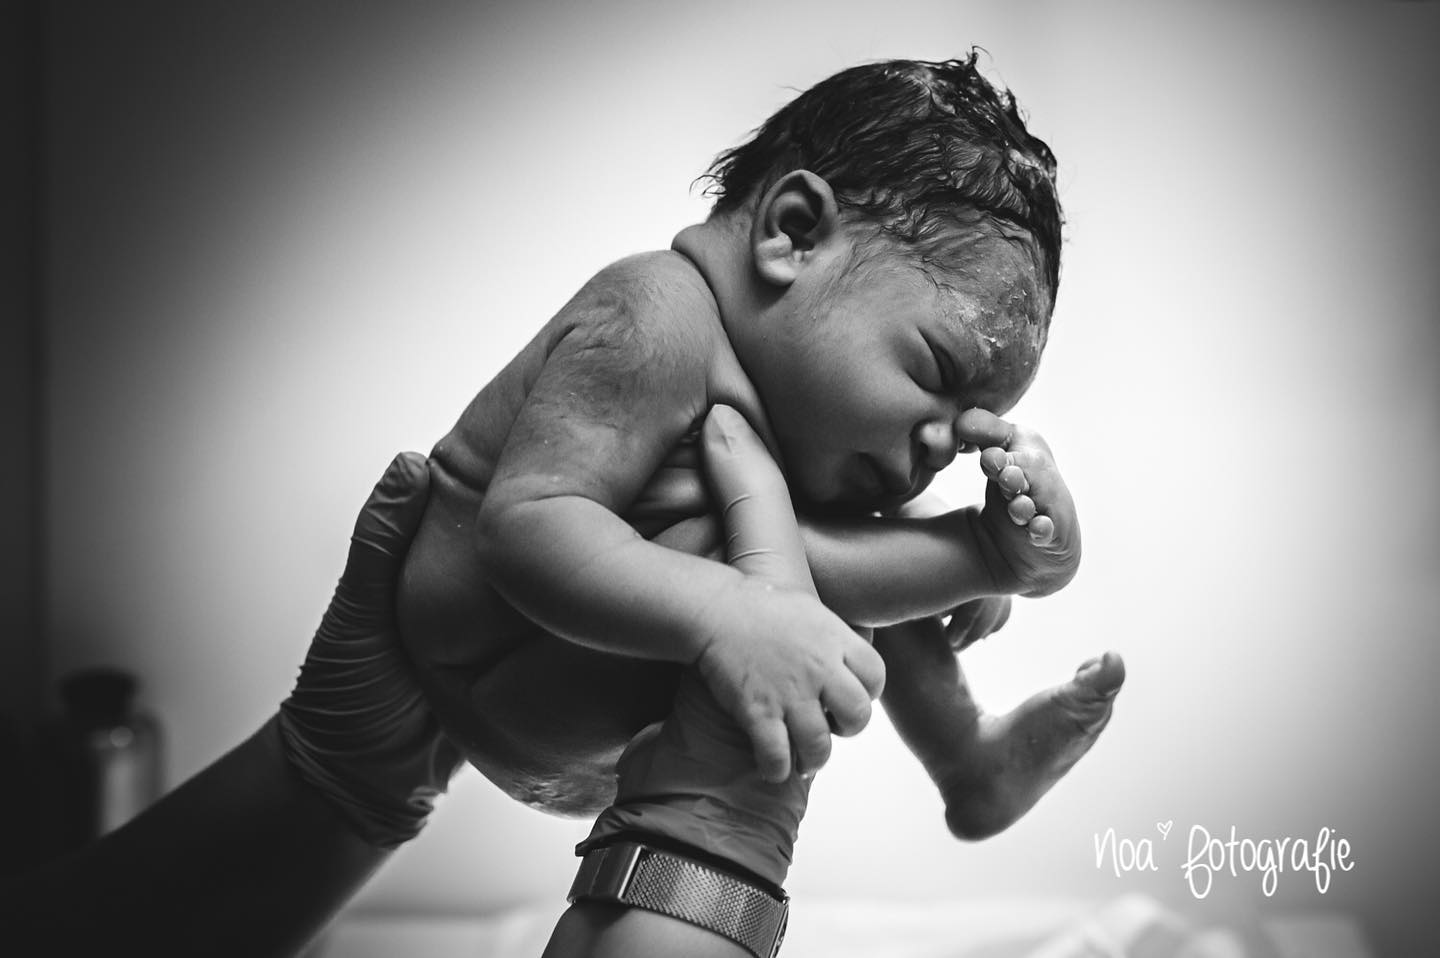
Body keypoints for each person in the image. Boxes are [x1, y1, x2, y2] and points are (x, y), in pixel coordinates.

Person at [395, 52, 1124, 895]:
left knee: (836, 527)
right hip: (493, 668)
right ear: (795, 234)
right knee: (790, 553)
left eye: (966, 434)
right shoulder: (655, 316)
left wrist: (930, 563)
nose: (941, 443)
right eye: (933, 372)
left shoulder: (790, 406)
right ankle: (981, 566)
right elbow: (527, 528)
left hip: (593, 715)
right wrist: (731, 614)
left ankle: (967, 757)